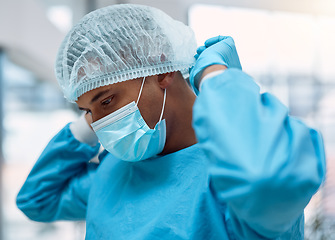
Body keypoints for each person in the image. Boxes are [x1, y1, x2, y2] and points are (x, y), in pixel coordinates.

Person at [17, 4, 326, 240]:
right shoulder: (114, 171)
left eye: (107, 100)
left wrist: (218, 78)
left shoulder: (231, 172)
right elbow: (37, 200)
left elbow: (269, 182)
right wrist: (88, 122)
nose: (98, 123)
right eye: (86, 111)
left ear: (161, 69)